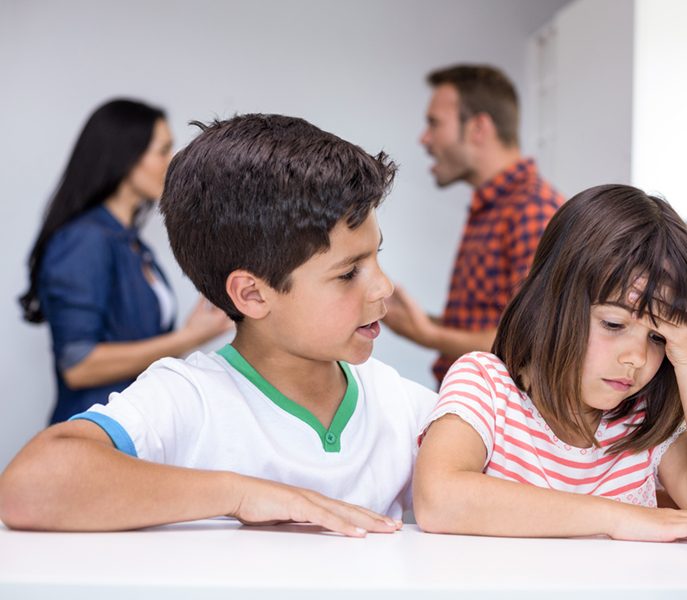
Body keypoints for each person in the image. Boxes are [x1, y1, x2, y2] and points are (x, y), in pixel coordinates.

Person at [0, 114, 434, 535]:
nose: (383, 287)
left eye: (376, 255)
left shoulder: (402, 405)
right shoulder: (189, 398)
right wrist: (239, 494)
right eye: (348, 273)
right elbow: (28, 487)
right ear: (252, 294)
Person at [413, 184, 687, 542]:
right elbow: (438, 498)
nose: (636, 358)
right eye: (614, 323)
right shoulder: (485, 385)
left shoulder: (644, 425)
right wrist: (618, 516)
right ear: (550, 304)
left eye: (658, 338)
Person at [19, 99, 232, 424]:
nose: (171, 161)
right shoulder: (85, 239)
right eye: (163, 150)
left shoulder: (130, 243)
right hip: (93, 437)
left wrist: (192, 333)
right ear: (126, 157)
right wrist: (189, 338)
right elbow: (79, 366)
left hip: (133, 428)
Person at [383, 64, 565, 386]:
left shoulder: (533, 210)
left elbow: (533, 342)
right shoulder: (495, 207)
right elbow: (490, 321)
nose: (424, 138)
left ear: (478, 128)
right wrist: (417, 321)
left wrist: (428, 334)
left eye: (434, 123)